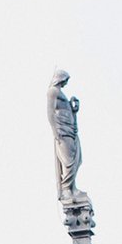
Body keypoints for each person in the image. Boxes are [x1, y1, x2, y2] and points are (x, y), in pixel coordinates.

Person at [47, 71, 81, 199]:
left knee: (75, 159)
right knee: (67, 161)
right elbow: (50, 112)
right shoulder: (53, 91)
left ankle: (72, 187)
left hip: (70, 129)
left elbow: (65, 110)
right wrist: (55, 132)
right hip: (62, 131)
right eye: (66, 80)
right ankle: (66, 189)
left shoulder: (61, 93)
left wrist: (74, 111)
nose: (66, 83)